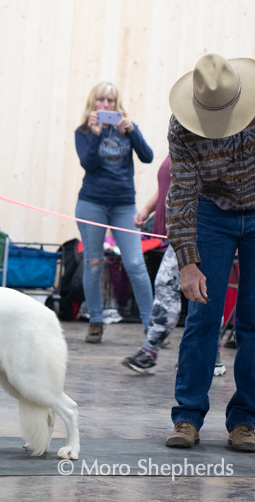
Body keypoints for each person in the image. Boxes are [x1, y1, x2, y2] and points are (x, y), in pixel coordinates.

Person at [164, 53, 254, 452]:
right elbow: (181, 193)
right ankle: (187, 417)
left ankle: (246, 422)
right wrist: (188, 261)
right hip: (210, 213)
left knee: (253, 321)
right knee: (203, 314)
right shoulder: (182, 129)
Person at [122, 156, 227, 376]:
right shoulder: (180, 144)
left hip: (196, 231)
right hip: (180, 232)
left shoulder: (208, 146)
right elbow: (168, 185)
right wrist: (147, 210)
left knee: (173, 286)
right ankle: (211, 357)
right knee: (196, 290)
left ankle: (151, 352)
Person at [74, 82, 154, 343]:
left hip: (123, 205)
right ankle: (96, 322)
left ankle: (150, 326)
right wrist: (96, 134)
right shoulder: (84, 131)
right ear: (93, 102)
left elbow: (148, 157)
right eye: (101, 100)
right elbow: (89, 164)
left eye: (111, 100)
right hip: (92, 204)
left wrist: (132, 132)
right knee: (94, 264)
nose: (106, 105)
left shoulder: (126, 129)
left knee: (135, 264)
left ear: (117, 104)